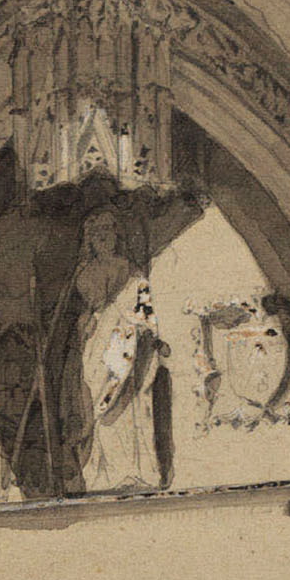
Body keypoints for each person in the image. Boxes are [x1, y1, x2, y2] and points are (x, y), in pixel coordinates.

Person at [66, 205, 168, 493]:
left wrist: (151, 337)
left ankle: (135, 472)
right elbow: (85, 313)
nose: (102, 237)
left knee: (130, 408)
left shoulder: (132, 272)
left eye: (107, 230)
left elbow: (145, 312)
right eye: (96, 232)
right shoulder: (83, 274)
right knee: (99, 408)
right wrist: (86, 324)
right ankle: (103, 476)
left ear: (116, 234)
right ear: (89, 239)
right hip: (97, 349)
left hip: (126, 343)